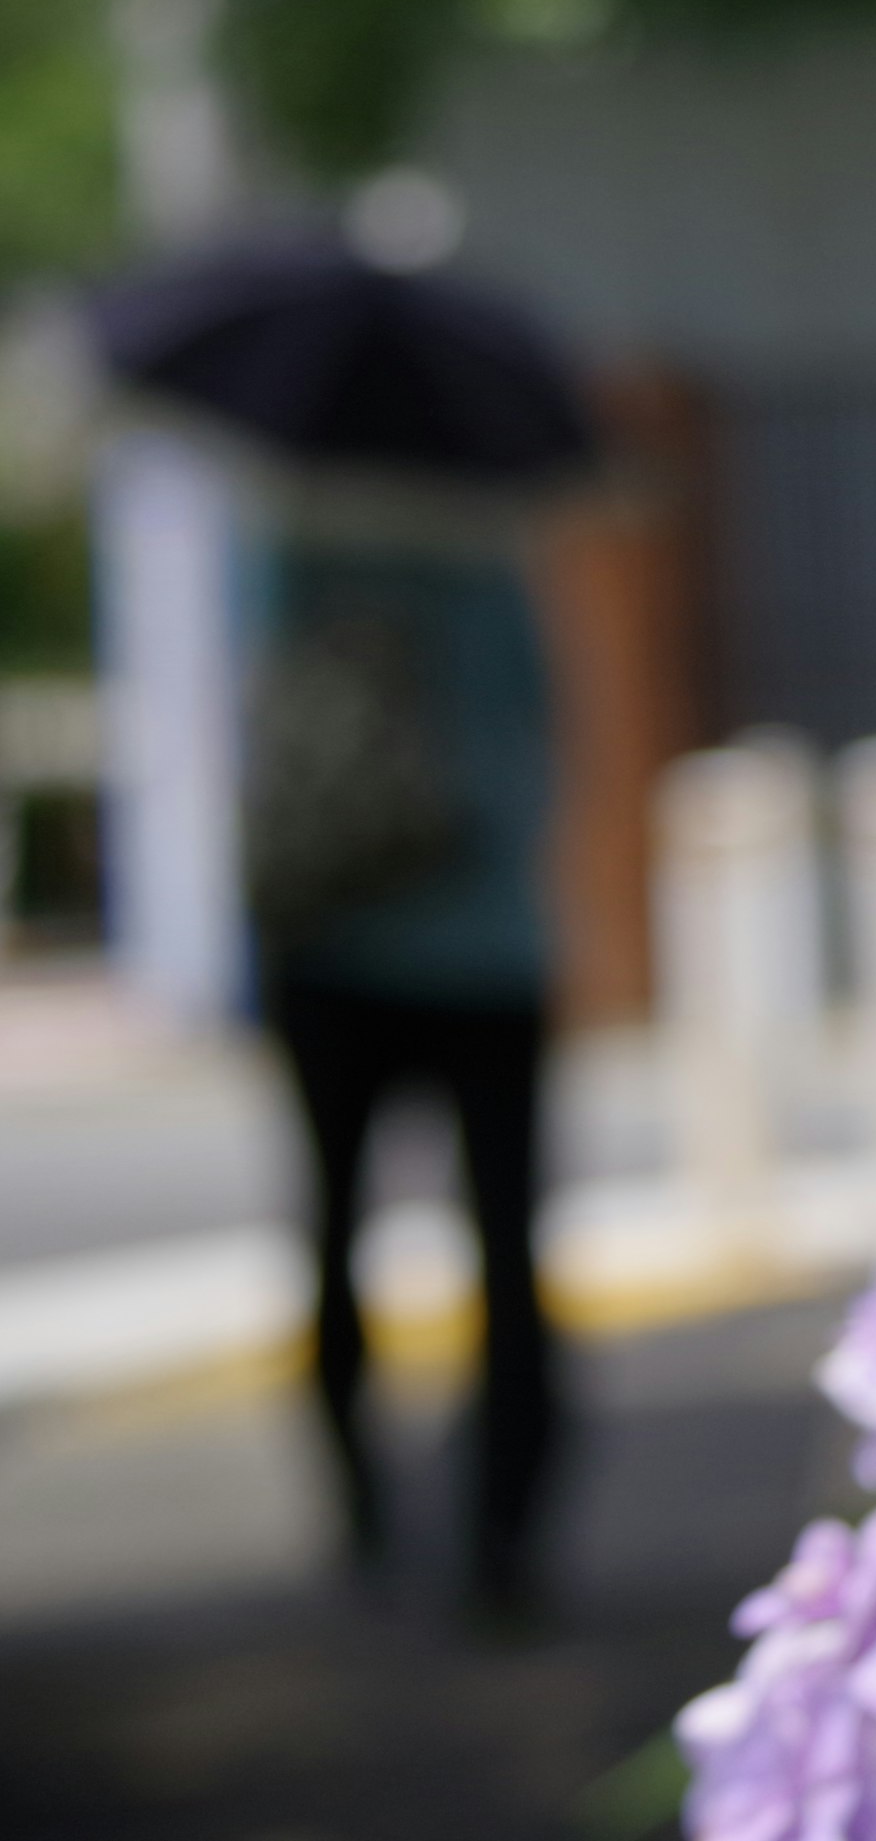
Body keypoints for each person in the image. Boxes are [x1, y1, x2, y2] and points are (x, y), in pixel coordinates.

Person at [246, 511, 563, 1621]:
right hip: (488, 957)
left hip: (336, 946)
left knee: (333, 1230)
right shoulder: (490, 553)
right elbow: (536, 741)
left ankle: (361, 1508)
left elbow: (267, 739)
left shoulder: (294, 547)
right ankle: (505, 1541)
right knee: (510, 1254)